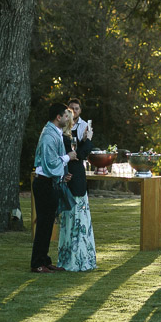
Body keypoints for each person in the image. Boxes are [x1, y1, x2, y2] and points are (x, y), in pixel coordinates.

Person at [30, 103, 76, 274]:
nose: (68, 119)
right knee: (44, 224)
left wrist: (62, 176)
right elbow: (50, 163)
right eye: (66, 116)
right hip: (44, 184)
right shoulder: (49, 135)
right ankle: (37, 263)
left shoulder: (54, 132)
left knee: (48, 224)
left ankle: (45, 260)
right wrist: (68, 157)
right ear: (58, 117)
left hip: (50, 182)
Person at [58, 106, 97, 271]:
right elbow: (79, 155)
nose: (72, 121)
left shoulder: (68, 137)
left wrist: (84, 140)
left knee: (76, 219)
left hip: (76, 181)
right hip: (74, 183)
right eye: (69, 117)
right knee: (76, 219)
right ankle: (76, 259)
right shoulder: (65, 138)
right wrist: (88, 140)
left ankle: (77, 257)